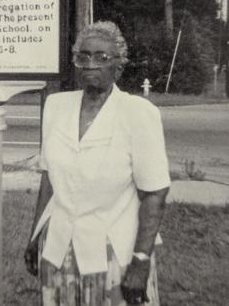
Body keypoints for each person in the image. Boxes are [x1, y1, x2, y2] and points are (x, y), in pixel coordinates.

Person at [24, 20, 170, 306]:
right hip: (59, 248)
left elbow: (155, 193)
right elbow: (48, 180)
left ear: (119, 65)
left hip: (115, 255)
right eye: (84, 56)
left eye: (102, 57)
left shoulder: (138, 113)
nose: (91, 64)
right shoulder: (55, 106)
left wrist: (140, 262)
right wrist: (34, 237)